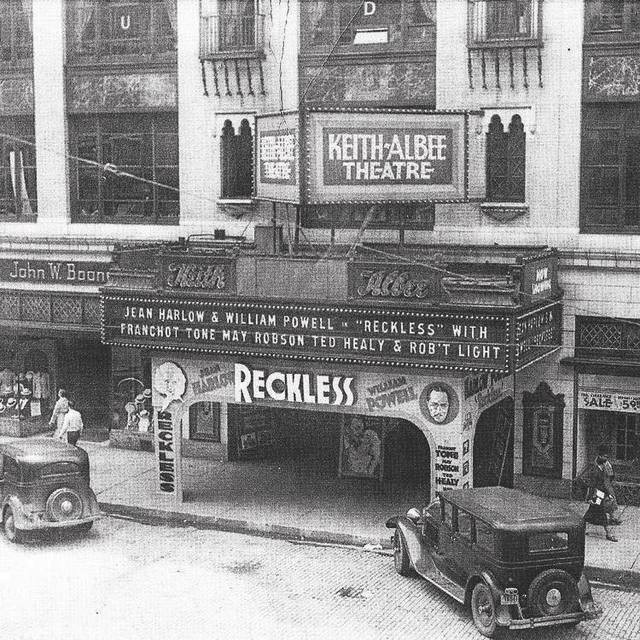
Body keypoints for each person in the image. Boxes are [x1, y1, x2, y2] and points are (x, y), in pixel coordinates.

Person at [584, 452, 619, 542]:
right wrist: (590, 498)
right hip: (597, 495)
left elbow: (604, 483)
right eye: (605, 463)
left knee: (590, 513)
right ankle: (608, 534)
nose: (606, 465)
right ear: (602, 463)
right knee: (602, 513)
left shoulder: (600, 470)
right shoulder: (595, 471)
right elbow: (592, 485)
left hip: (600, 494)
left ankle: (581, 528)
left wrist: (608, 493)